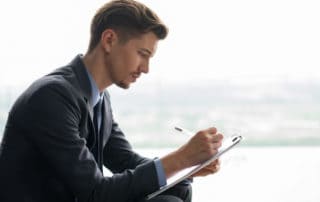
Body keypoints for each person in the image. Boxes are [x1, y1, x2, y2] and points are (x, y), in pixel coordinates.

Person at [0, 0, 223, 201]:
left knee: (178, 189)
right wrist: (180, 159)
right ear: (109, 40)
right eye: (142, 54)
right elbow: (95, 191)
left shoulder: (99, 99)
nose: (145, 69)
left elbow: (126, 161)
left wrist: (187, 166)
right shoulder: (51, 96)